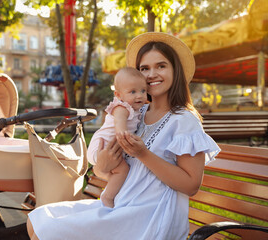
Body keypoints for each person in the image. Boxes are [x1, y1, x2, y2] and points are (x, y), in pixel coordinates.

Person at [27, 32, 220, 240]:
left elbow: (191, 185)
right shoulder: (136, 114)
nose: (151, 74)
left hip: (150, 215)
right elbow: (109, 170)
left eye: (161, 66)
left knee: (47, 230)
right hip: (123, 203)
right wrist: (102, 165)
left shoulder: (183, 119)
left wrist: (143, 153)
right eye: (144, 68)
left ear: (176, 71)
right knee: (38, 217)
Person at [87, 67, 147, 208]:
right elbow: (119, 124)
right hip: (103, 147)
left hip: (108, 148)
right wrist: (124, 135)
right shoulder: (122, 107)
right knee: (123, 170)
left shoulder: (135, 108)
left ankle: (112, 187)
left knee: (120, 171)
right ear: (118, 95)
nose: (139, 96)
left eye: (143, 91)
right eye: (133, 92)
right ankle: (108, 197)